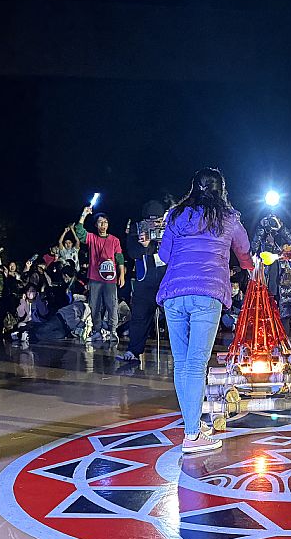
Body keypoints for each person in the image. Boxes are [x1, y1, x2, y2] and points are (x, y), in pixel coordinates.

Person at [156, 167, 253, 455]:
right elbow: (244, 251)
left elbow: (164, 254)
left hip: (174, 293)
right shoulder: (229, 217)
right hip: (206, 293)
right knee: (196, 364)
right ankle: (192, 435)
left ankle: (192, 425)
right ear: (221, 189)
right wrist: (249, 267)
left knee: (182, 363)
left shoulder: (176, 215)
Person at [119, 200, 169, 362]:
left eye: (158, 221)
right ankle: (133, 351)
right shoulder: (137, 229)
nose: (154, 225)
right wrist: (145, 245)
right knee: (139, 317)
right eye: (150, 222)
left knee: (175, 318)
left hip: (168, 281)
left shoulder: (170, 228)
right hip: (145, 282)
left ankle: (182, 355)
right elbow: (132, 253)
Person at [75, 207, 125, 342]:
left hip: (110, 278)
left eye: (105, 222)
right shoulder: (92, 238)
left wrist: (121, 275)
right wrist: (84, 214)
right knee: (95, 305)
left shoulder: (114, 240)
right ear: (96, 225)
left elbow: (119, 257)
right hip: (94, 278)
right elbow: (79, 231)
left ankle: (113, 331)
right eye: (100, 222)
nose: (103, 225)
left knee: (112, 305)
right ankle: (97, 330)